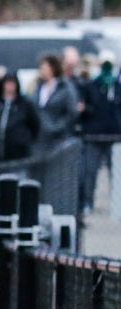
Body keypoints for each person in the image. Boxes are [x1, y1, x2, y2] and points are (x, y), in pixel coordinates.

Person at [79, 51, 121, 213]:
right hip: (94, 135)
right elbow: (86, 107)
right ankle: (88, 203)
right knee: (90, 172)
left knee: (116, 173)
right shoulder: (91, 86)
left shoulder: (116, 87)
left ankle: (117, 204)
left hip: (114, 136)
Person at [0, 74, 40, 162]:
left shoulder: (25, 103)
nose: (9, 86)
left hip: (19, 152)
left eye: (12, 83)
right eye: (7, 83)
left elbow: (35, 125)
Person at [31, 54, 79, 152]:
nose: (41, 70)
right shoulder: (38, 87)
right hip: (39, 138)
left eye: (44, 67)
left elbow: (72, 112)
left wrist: (57, 127)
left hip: (59, 138)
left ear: (52, 68)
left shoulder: (65, 88)